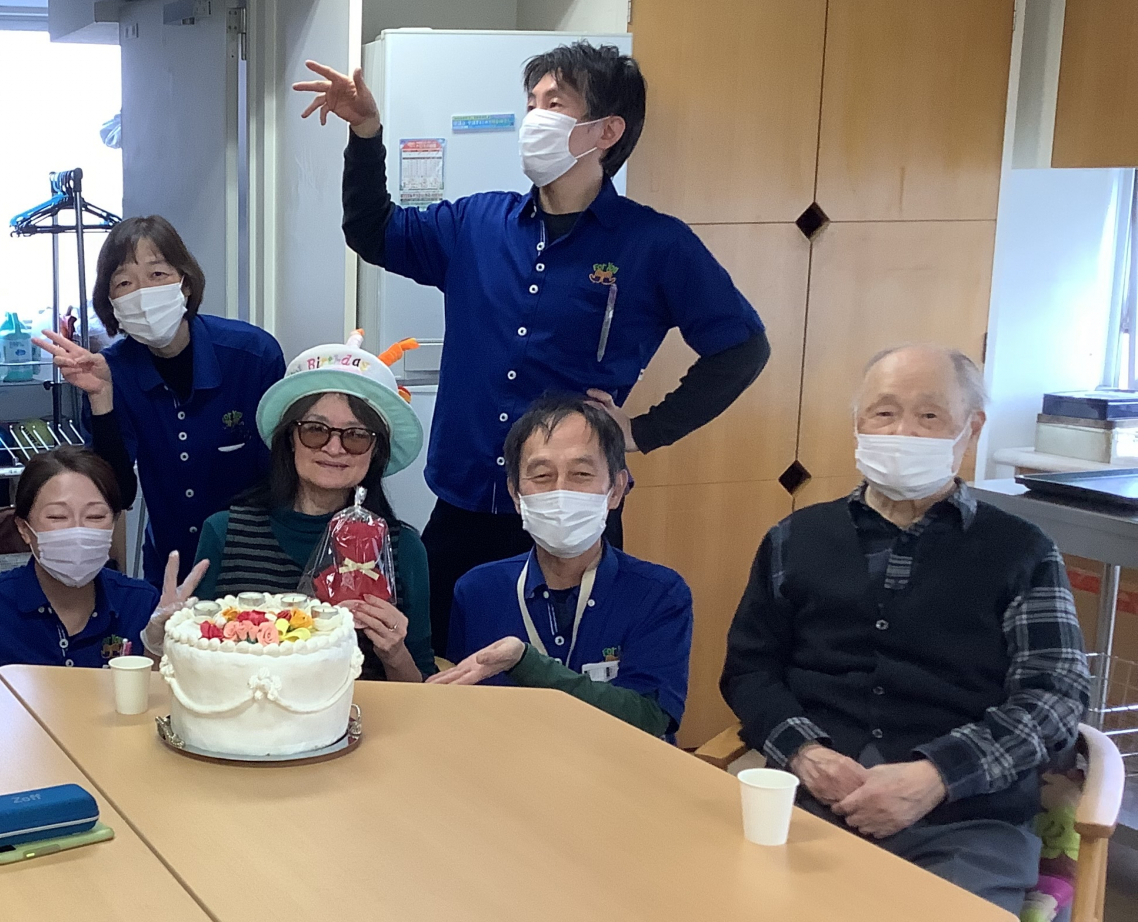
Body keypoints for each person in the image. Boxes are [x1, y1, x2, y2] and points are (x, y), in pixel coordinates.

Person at [721, 344, 1088, 922]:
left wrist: (935, 774)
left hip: (963, 819)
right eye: (884, 412)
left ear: (971, 430)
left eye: (930, 416)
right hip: (811, 805)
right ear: (857, 424)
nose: (903, 431)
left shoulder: (1021, 551)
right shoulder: (795, 540)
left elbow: (1055, 697)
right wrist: (805, 752)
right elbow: (750, 671)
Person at [294, 43, 769, 646]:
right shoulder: (476, 224)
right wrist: (366, 133)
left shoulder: (655, 245)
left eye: (555, 104)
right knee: (437, 664)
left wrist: (647, 429)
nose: (535, 119)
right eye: (531, 104)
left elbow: (741, 347)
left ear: (607, 131)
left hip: (571, 512)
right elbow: (373, 231)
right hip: (464, 505)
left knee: (563, 675)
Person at [33, 215, 285, 575]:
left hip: (253, 563)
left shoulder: (253, 355)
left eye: (157, 274)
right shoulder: (111, 371)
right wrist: (102, 397)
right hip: (169, 564)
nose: (143, 293)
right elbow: (118, 494)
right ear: (110, 302)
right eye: (124, 282)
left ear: (185, 283)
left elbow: (283, 475)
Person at [431, 395, 692, 739]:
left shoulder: (659, 593)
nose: (560, 491)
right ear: (516, 495)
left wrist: (526, 664)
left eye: (581, 474)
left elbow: (648, 719)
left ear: (616, 490)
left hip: (618, 767)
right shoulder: (477, 590)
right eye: (542, 475)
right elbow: (465, 708)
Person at [193, 339, 432, 682]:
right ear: (290, 438)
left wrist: (394, 652)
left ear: (375, 450)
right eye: (316, 431)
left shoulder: (402, 549)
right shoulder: (225, 532)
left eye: (356, 435)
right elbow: (195, 658)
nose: (334, 448)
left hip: (362, 713)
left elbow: (423, 689)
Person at [0, 447, 195, 681]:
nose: (78, 530)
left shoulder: (141, 604)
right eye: (58, 516)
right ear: (24, 528)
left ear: (113, 523)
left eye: (95, 516)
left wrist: (157, 649)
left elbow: (153, 717)